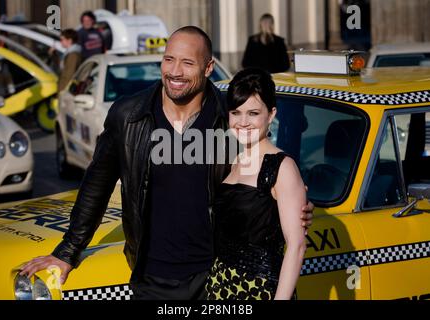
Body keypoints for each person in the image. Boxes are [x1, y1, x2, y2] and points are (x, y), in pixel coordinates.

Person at [19, 26, 314, 300]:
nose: (175, 71)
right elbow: (96, 185)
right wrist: (68, 250)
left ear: (208, 67)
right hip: (151, 276)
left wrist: (290, 203)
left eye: (187, 63)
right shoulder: (128, 115)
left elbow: (260, 175)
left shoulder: (228, 119)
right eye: (169, 59)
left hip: (213, 277)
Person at [205, 68, 306, 300]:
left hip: (260, 290)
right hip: (221, 286)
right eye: (236, 112)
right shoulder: (234, 160)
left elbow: (297, 246)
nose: (243, 122)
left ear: (271, 115)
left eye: (253, 113)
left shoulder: (282, 167)